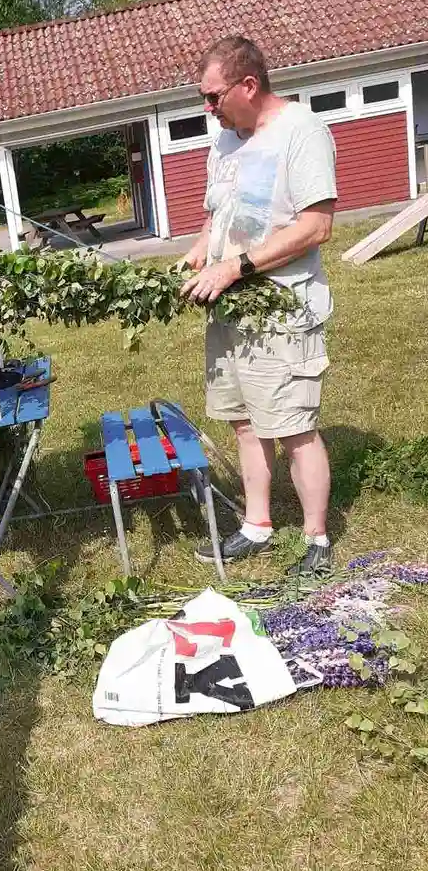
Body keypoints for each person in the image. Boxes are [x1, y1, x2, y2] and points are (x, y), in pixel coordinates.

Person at [179, 35, 337, 575]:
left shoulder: (302, 132)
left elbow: (317, 226)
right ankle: (257, 525)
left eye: (214, 97)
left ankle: (316, 538)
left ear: (249, 85)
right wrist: (201, 253)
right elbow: (216, 214)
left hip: (280, 308)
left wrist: (238, 267)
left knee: (293, 426)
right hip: (228, 308)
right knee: (244, 422)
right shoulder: (223, 142)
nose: (208, 109)